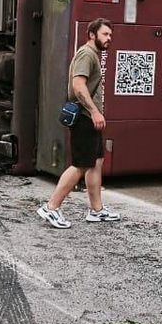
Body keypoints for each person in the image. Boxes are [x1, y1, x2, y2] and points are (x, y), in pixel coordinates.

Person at [37, 18, 120, 228]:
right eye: (105, 34)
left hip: (90, 119)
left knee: (96, 161)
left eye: (110, 35)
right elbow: (78, 86)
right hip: (84, 118)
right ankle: (51, 208)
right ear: (92, 34)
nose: (109, 38)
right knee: (80, 165)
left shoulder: (93, 54)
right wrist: (94, 112)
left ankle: (96, 210)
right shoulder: (86, 54)